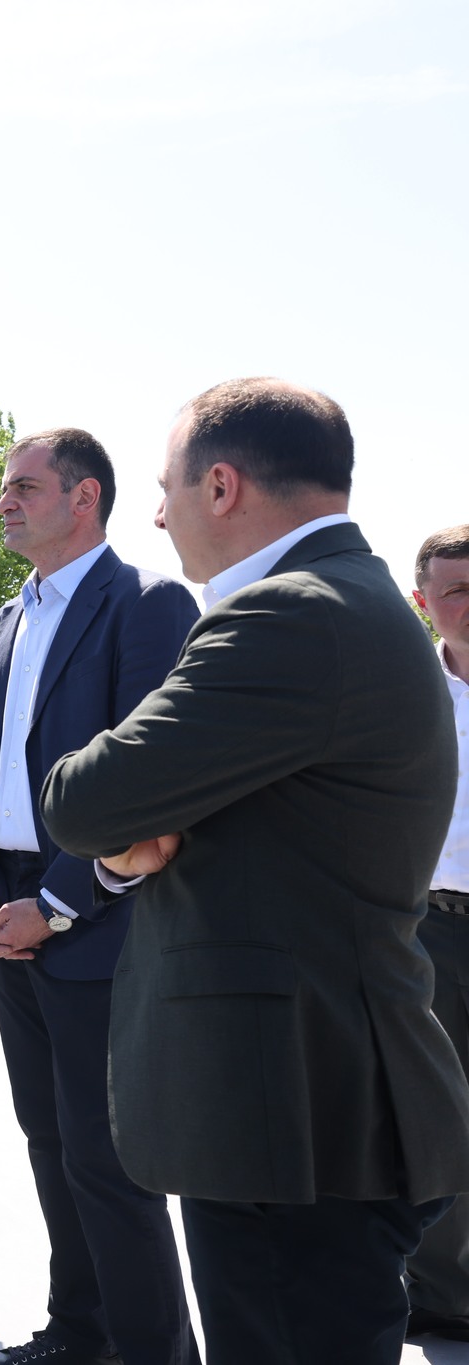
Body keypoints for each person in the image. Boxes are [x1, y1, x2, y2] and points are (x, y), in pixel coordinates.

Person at [41, 379, 469, 1365]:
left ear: (222, 486)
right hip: (309, 1098)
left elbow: (82, 801)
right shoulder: (342, 600)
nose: (157, 515)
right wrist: (134, 837)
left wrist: (124, 829)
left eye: (165, 488)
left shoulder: (288, 614)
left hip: (291, 1111)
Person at [0, 430, 200, 1365]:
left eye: (25, 486)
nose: (4, 502)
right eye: (5, 488)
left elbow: (146, 781)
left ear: (85, 496)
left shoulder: (147, 604)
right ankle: (81, 1333)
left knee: (111, 1160)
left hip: (99, 919)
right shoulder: (4, 621)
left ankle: (154, 1352)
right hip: (3, 917)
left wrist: (52, 906)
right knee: (50, 1141)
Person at [407, 525, 469, 1343]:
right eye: (454, 590)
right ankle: (442, 1293)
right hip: (425, 926)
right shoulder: (407, 691)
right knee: (438, 1113)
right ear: (423, 601)